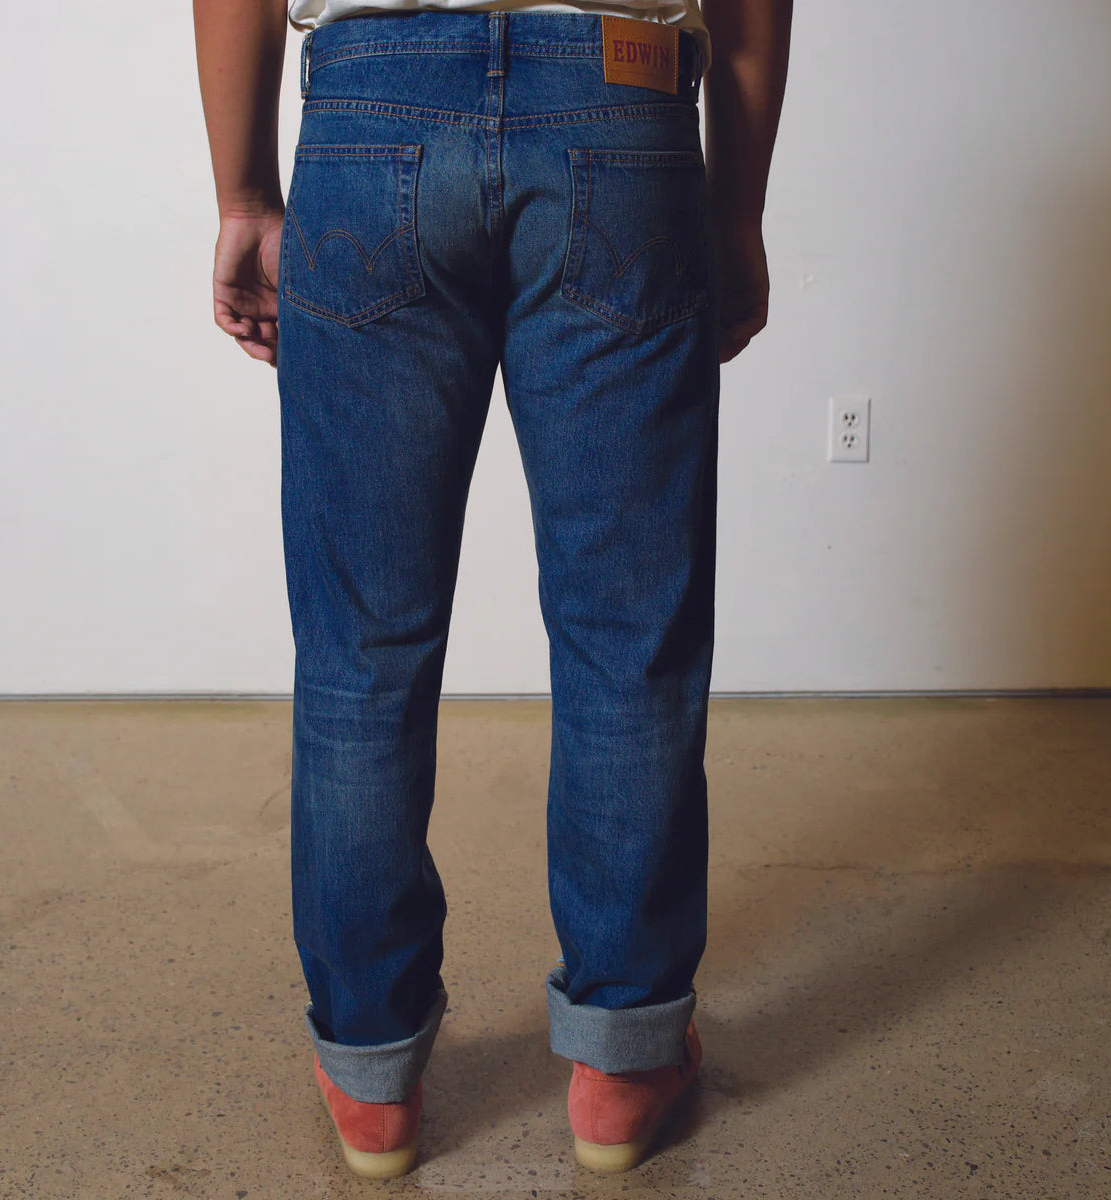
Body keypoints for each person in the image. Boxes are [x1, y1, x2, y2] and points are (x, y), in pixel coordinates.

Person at [194, 0, 791, 1180]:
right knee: (631, 639)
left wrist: (245, 195)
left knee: (360, 654)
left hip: (369, 110)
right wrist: (734, 210)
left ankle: (371, 1076)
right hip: (620, 107)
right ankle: (622, 1064)